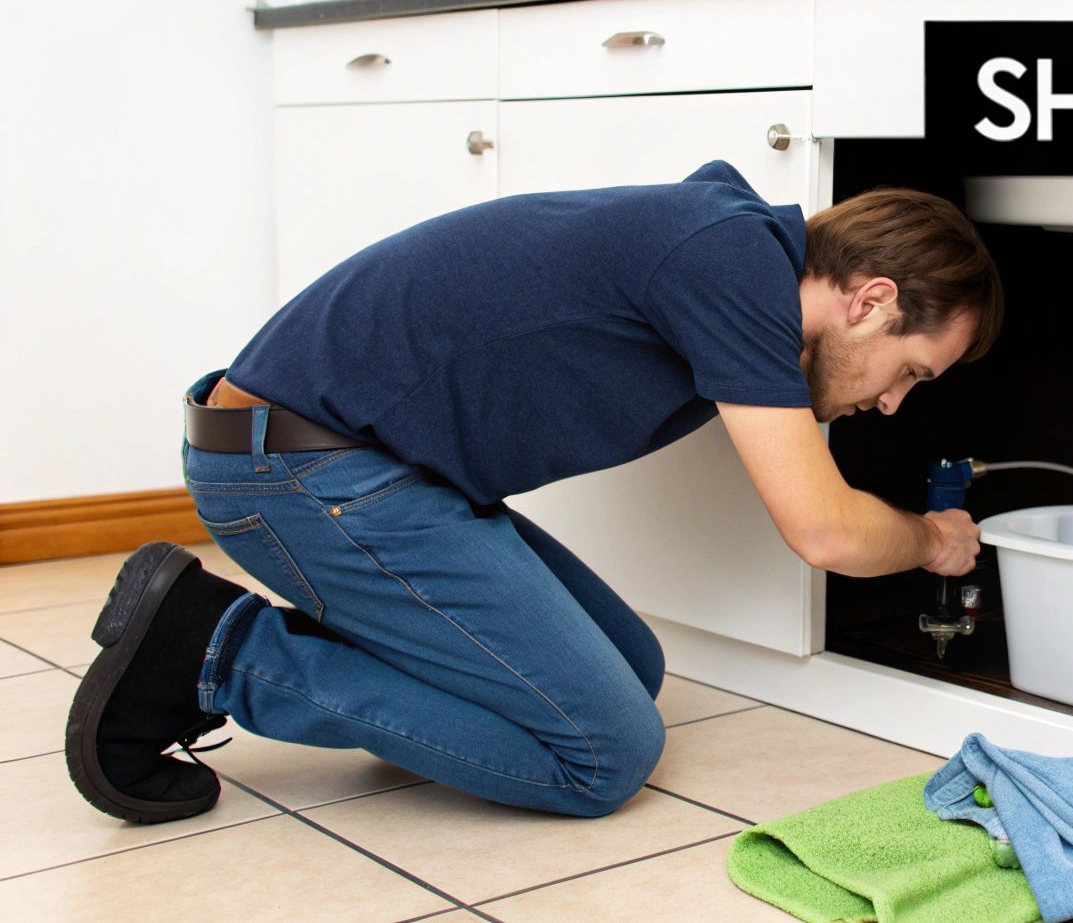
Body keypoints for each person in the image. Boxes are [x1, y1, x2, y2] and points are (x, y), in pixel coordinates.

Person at [65, 159, 1002, 824]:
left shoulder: (731, 250)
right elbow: (826, 533)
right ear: (871, 299)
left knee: (629, 671)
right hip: (297, 472)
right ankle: (216, 651)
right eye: (910, 372)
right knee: (599, 757)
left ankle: (363, 629)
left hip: (367, 467)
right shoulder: (730, 270)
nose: (888, 403)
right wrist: (929, 539)